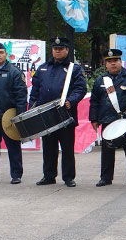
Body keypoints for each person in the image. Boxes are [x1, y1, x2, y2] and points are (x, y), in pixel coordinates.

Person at [30, 36, 87, 188]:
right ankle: (49, 176)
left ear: (67, 50)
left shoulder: (74, 69)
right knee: (48, 148)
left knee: (67, 148)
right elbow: (35, 90)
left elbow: (81, 89)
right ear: (52, 50)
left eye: (61, 49)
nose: (58, 51)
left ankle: (68, 177)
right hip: (46, 115)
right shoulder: (43, 68)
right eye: (55, 49)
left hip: (65, 114)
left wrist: (71, 100)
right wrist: (32, 107)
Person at [89, 49, 126, 188]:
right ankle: (106, 178)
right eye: (109, 61)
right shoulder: (101, 80)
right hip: (107, 119)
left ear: (120, 62)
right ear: (105, 64)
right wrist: (94, 119)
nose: (113, 64)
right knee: (107, 151)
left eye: (115, 61)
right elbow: (94, 101)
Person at [0, 41, 27, 184]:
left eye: (1, 52)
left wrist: (18, 117)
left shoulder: (14, 72)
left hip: (8, 117)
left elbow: (21, 96)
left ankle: (16, 174)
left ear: (6, 54)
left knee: (13, 147)